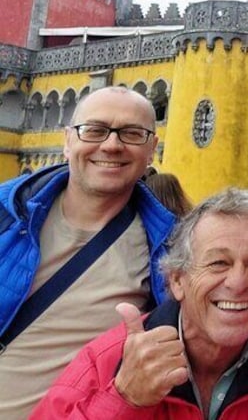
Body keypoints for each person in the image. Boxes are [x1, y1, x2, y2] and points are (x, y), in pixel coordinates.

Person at [32, 188, 248, 418]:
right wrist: (125, 398)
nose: (237, 282)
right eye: (218, 263)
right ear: (177, 280)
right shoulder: (110, 361)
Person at [0, 86, 176, 418]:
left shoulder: (168, 250)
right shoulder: (6, 212)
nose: (111, 145)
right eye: (94, 130)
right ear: (68, 141)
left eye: (132, 134)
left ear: (152, 149)